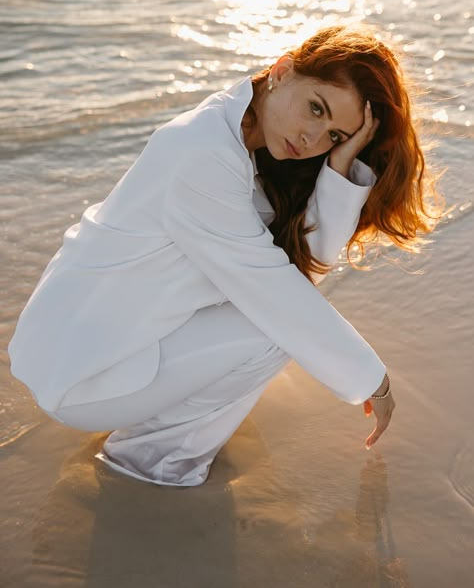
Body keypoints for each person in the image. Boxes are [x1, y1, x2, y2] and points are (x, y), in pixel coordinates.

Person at [8, 25, 439, 487]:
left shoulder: (240, 141)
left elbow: (301, 268)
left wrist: (338, 168)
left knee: (276, 313)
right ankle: (153, 461)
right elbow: (279, 296)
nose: (314, 138)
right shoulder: (204, 153)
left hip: (88, 343)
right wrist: (372, 379)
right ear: (282, 70)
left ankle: (161, 439)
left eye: (334, 135)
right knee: (274, 326)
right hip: (79, 370)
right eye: (316, 108)